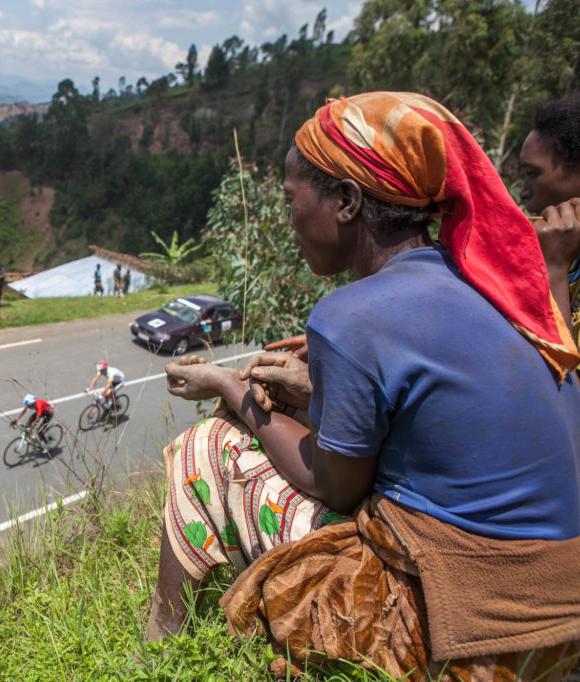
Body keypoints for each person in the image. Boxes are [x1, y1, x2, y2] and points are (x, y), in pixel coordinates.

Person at [146, 92, 580, 680]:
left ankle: (157, 645)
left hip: (478, 636)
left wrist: (230, 388)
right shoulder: (489, 284)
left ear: (347, 201)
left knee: (209, 449)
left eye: (291, 200)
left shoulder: (350, 315)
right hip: (564, 608)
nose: (289, 219)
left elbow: (335, 485)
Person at [520, 92, 580, 343]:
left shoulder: (558, 261)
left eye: (533, 174)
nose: (523, 192)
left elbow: (561, 380)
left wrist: (554, 268)